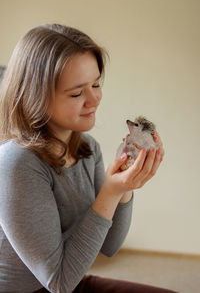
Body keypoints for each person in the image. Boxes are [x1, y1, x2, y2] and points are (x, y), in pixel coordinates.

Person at [0, 24, 176, 293]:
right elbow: (58, 282)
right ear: (35, 96)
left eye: (96, 84)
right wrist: (110, 191)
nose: (94, 99)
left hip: (68, 280)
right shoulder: (16, 163)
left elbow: (110, 246)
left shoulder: (87, 148)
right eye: (76, 92)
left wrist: (123, 187)